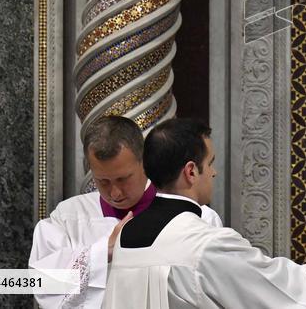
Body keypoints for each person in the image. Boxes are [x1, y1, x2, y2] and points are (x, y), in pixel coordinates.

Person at [103, 118, 306, 308]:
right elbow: (286, 291)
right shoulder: (204, 244)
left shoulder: (127, 236)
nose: (214, 173)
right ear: (191, 171)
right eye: (210, 163)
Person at [29, 115, 222, 308]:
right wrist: (102, 252)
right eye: (103, 181)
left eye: (123, 179)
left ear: (144, 163)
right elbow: (34, 283)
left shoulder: (198, 218)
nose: (115, 193)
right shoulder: (67, 218)